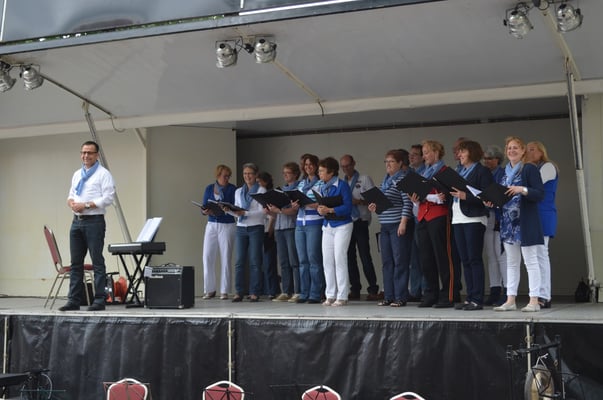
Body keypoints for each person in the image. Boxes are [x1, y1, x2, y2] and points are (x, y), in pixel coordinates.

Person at [60, 140, 115, 311]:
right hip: (77, 221)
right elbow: (71, 194)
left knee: (97, 260)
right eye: (83, 152)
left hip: (94, 221)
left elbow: (108, 198)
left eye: (89, 153)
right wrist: (71, 203)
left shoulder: (103, 174)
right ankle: (74, 300)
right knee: (76, 263)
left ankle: (99, 300)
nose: (86, 156)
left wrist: (86, 205)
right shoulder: (77, 174)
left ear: (97, 155)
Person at [492, 136, 545, 312]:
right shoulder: (504, 172)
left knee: (531, 261)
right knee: (511, 262)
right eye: (509, 148)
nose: (512, 151)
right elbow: (501, 195)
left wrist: (522, 189)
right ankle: (510, 300)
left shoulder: (529, 168)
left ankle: (534, 300)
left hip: (525, 222)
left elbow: (539, 193)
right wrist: (492, 201)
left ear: (523, 151)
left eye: (515, 148)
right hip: (508, 223)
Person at [409, 140, 458, 308]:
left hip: (439, 216)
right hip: (423, 215)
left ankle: (448, 295)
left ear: (436, 152)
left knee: (443, 257)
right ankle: (431, 293)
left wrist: (436, 196)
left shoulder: (445, 171)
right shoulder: (423, 173)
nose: (424, 156)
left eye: (427, 152)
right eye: (423, 153)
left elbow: (448, 195)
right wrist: (416, 199)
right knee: (426, 258)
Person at [449, 140, 493, 310]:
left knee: (474, 259)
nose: (459, 154)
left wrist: (465, 196)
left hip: (474, 218)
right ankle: (470, 297)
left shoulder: (482, 171)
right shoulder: (459, 171)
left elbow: (486, 197)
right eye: (459, 152)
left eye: (463, 151)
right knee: (465, 259)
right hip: (458, 217)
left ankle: (477, 299)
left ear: (472, 152)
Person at [368, 149, 414, 307]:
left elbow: (407, 203)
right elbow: (384, 203)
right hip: (385, 225)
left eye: (391, 161)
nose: (388, 164)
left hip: (397, 224)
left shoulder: (403, 179)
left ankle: (400, 297)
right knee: (387, 262)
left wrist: (403, 222)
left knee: (400, 261)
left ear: (400, 163)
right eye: (386, 161)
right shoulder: (385, 181)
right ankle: (388, 296)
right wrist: (375, 207)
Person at [340, 154, 380, 301]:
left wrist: (358, 201)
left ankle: (373, 288)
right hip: (346, 222)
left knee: (365, 256)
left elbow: (374, 199)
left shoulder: (364, 179)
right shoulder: (342, 183)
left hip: (361, 221)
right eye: (343, 167)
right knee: (350, 257)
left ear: (354, 164)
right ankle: (355, 289)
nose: (346, 169)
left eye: (348, 165)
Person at [317, 157, 354, 306]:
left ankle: (342, 295)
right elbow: (321, 206)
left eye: (322, 171)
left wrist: (330, 209)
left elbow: (348, 207)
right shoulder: (322, 187)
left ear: (331, 172)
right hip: (327, 225)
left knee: (339, 258)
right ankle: (330, 294)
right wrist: (321, 210)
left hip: (342, 225)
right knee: (327, 261)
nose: (319, 173)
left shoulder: (342, 185)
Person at [228, 163, 266, 302]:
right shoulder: (239, 191)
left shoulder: (261, 190)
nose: (247, 176)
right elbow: (237, 211)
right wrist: (230, 210)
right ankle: (239, 292)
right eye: (245, 173)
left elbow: (263, 212)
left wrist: (245, 213)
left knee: (255, 261)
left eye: (250, 173)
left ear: (256, 175)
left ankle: (254, 292)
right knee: (239, 261)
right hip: (241, 227)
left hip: (256, 227)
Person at [527, 141, 558, 309]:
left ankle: (544, 295)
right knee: (536, 255)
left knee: (541, 254)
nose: (528, 152)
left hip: (544, 214)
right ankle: (538, 293)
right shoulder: (531, 168)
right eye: (527, 150)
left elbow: (535, 185)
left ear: (541, 152)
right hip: (534, 214)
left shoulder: (548, 166)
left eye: (532, 149)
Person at [201, 164, 237, 300]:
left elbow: (235, 207)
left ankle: (224, 290)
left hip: (227, 224)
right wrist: (205, 211)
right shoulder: (209, 188)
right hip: (211, 224)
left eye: (228, 176)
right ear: (218, 175)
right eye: (224, 176)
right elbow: (203, 206)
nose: (227, 178)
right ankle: (209, 289)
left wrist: (227, 208)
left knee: (225, 257)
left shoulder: (233, 189)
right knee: (207, 256)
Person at [294, 154, 324, 304]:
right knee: (302, 260)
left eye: (311, 164)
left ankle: (315, 293)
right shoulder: (300, 184)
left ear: (316, 166)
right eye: (305, 165)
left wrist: (310, 204)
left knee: (314, 259)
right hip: (300, 223)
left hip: (314, 223)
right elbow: (296, 202)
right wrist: (294, 204)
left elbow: (323, 203)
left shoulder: (321, 183)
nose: (308, 167)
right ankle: (304, 292)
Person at [268, 162, 301, 302]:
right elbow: (276, 211)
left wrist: (280, 210)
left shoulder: (298, 188)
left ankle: (298, 291)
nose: (285, 175)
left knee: (294, 260)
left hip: (291, 226)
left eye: (288, 173)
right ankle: (286, 290)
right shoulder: (280, 189)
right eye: (284, 173)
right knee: (283, 261)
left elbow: (294, 210)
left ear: (295, 174)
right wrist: (271, 209)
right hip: (279, 227)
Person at [482, 145, 507, 306]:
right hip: (487, 215)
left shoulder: (502, 173)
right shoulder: (485, 174)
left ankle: (507, 290)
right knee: (490, 255)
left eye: (489, 158)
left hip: (499, 215)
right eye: (484, 159)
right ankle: (494, 289)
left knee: (501, 256)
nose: (486, 161)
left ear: (497, 159)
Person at [408, 144, 426, 301]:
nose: (411, 157)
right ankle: (415, 290)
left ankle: (426, 289)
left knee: (424, 255)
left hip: (424, 218)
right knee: (414, 257)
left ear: (422, 157)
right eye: (410, 154)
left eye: (415, 154)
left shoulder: (425, 173)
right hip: (412, 218)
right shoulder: (410, 173)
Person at [257, 171, 279, 299]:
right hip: (260, 229)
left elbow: (272, 215)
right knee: (261, 262)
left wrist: (270, 229)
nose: (258, 184)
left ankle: (272, 290)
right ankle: (264, 289)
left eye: (259, 181)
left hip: (268, 230)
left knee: (269, 261)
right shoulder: (258, 194)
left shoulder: (269, 194)